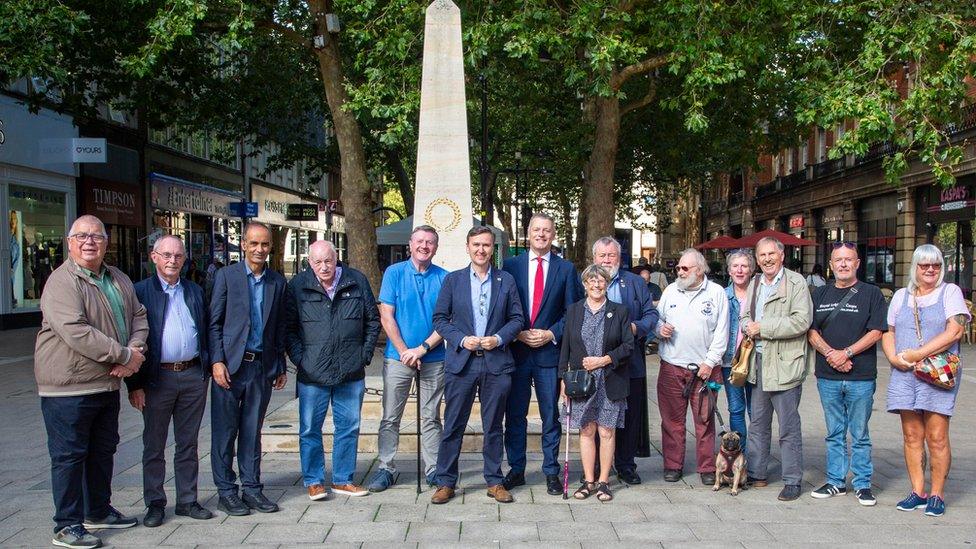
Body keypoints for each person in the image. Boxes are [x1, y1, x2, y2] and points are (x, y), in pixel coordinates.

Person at [35, 215, 148, 549]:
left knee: (103, 450)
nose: (89, 242)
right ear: (70, 242)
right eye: (81, 236)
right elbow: (76, 331)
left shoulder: (118, 278)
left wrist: (135, 349)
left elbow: (139, 316)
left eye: (96, 236)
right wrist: (123, 356)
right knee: (69, 456)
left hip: (105, 383)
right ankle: (66, 524)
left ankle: (97, 510)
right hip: (69, 387)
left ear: (106, 242)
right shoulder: (61, 282)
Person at [429, 226, 524, 504]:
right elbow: (440, 319)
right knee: (453, 425)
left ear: (493, 248)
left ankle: (494, 481)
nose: (481, 250)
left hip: (496, 363)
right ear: (467, 247)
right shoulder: (453, 281)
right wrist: (460, 339)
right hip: (462, 363)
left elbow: (517, 319)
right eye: (476, 245)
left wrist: (498, 338)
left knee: (494, 425)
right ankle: (446, 481)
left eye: (486, 245)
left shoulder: (505, 280)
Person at [285, 240, 380, 500]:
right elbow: (289, 327)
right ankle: (314, 481)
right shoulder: (298, 286)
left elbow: (373, 320)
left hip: (350, 371)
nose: (324, 267)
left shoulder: (356, 281)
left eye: (328, 260)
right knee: (309, 429)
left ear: (336, 257)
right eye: (318, 262)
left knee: (348, 427)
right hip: (312, 373)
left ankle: (342, 479)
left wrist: (364, 355)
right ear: (309, 262)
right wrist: (300, 359)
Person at [129, 236, 213, 527]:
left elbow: (206, 330)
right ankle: (154, 503)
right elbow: (133, 340)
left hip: (192, 375)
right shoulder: (139, 292)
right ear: (154, 257)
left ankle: (188, 500)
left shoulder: (194, 291)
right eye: (166, 255)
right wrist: (134, 384)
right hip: (156, 379)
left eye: (178, 256)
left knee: (188, 443)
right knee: (154, 444)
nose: (172, 261)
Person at [882, 244, 969, 517]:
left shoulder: (950, 292)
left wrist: (918, 353)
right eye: (924, 265)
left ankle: (937, 494)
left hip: (936, 373)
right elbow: (888, 332)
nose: (930, 270)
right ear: (915, 268)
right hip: (905, 374)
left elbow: (955, 331)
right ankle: (918, 491)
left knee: (937, 437)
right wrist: (893, 358)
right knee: (911, 436)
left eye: (936, 265)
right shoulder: (900, 296)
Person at [208, 222, 288, 516]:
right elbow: (213, 322)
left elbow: (279, 328)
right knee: (225, 432)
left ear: (270, 247)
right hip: (229, 368)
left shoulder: (277, 283)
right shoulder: (226, 277)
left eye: (264, 244)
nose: (259, 249)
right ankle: (226, 491)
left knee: (252, 431)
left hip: (261, 368)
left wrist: (280, 364)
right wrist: (216, 361)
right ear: (243, 245)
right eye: (254, 244)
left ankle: (252, 488)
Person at [501, 213, 582, 496]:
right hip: (517, 353)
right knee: (515, 415)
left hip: (550, 355)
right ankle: (517, 469)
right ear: (528, 233)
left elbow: (572, 312)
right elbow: (502, 307)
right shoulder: (509, 266)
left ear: (553, 234)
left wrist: (551, 333)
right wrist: (517, 332)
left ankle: (551, 471)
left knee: (551, 416)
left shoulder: (566, 269)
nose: (541, 234)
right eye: (536, 229)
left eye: (546, 230)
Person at [367, 225, 447, 493]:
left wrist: (422, 349)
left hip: (434, 357)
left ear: (436, 247)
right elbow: (386, 315)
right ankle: (386, 467)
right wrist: (404, 350)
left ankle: (434, 467)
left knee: (431, 416)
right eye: (420, 241)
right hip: (397, 358)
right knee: (390, 416)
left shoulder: (444, 278)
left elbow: (447, 321)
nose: (425, 246)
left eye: (430, 242)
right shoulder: (394, 273)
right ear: (411, 244)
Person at [807, 241, 887, 506]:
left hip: (861, 376)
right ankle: (836, 481)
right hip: (827, 375)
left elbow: (876, 331)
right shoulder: (819, 295)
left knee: (860, 432)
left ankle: (863, 483)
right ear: (831, 265)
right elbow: (811, 330)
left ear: (857, 263)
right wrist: (832, 354)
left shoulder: (871, 293)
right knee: (834, 432)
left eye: (848, 259)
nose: (843, 264)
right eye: (838, 260)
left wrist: (847, 353)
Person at [740, 236, 812, 502]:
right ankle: (757, 472)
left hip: (785, 365)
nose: (767, 259)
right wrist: (747, 325)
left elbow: (802, 321)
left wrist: (763, 328)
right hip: (757, 364)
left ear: (782, 255)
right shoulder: (755, 282)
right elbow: (745, 314)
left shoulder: (796, 282)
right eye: (762, 255)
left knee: (788, 427)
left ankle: (792, 480)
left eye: (772, 254)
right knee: (757, 423)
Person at [656, 249, 729, 485]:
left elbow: (722, 331)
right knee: (671, 420)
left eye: (684, 268)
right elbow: (656, 318)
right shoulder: (670, 290)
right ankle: (673, 465)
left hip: (705, 369)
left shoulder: (716, 293)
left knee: (705, 420)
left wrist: (709, 362)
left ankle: (707, 466)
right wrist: (659, 329)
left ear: (699, 270)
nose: (679, 272)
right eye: (678, 268)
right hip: (672, 366)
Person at [561, 265, 634, 502]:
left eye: (601, 281)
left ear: (607, 284)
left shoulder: (619, 311)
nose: (596, 285)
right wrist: (563, 377)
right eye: (591, 281)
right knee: (586, 429)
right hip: (582, 381)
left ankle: (604, 482)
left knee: (605, 431)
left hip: (609, 379)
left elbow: (628, 346)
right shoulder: (573, 311)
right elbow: (566, 347)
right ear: (584, 285)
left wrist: (603, 360)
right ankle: (588, 481)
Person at [592, 237, 658, 484]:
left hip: (630, 362)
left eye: (612, 256)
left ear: (620, 258)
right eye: (602, 256)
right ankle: (598, 465)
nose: (607, 260)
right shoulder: (587, 281)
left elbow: (651, 314)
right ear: (594, 258)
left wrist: (635, 328)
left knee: (629, 416)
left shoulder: (634, 283)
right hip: (596, 363)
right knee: (598, 415)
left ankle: (626, 465)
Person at [722, 250, 755, 444]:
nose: (740, 270)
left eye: (744, 266)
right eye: (735, 266)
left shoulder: (760, 294)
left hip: (754, 361)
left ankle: (757, 457)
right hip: (730, 361)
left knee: (755, 410)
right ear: (729, 270)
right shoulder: (722, 296)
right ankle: (739, 453)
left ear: (751, 269)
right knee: (735, 408)